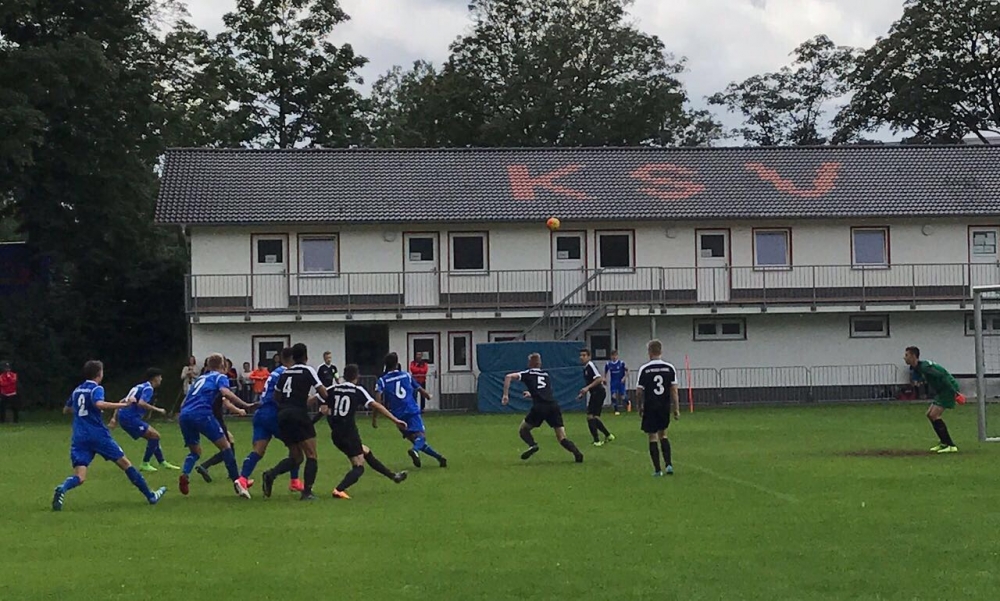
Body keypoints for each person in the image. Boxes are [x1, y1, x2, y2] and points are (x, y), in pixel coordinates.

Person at [51, 360, 167, 511]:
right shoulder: (96, 388)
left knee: (80, 476)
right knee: (126, 464)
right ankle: (151, 495)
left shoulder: (77, 390)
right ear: (99, 374)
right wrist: (124, 405)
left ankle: (63, 488)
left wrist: (83, 411)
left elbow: (66, 409)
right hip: (98, 435)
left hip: (79, 436)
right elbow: (99, 404)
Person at [325, 364, 409, 499]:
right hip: (349, 433)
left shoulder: (332, 389)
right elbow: (376, 405)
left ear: (344, 375)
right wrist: (395, 420)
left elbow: (314, 399)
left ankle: (393, 476)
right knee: (359, 466)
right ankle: (339, 490)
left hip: (336, 433)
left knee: (366, 451)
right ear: (357, 376)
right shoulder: (357, 390)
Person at [177, 353, 251, 498]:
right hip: (202, 414)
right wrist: (245, 404)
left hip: (184, 415)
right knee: (226, 447)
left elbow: (184, 402)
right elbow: (225, 392)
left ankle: (185, 474)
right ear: (222, 365)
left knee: (195, 452)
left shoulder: (200, 378)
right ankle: (238, 482)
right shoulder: (220, 377)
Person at [260, 343, 329, 501]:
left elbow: (276, 396)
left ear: (293, 357)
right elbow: (323, 392)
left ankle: (271, 474)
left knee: (297, 457)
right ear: (306, 356)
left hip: (283, 415)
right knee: (311, 454)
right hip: (298, 414)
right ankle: (307, 492)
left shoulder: (285, 373)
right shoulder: (308, 370)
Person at [236, 348, 304, 493]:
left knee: (258, 451)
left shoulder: (275, 372)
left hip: (261, 413)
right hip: (274, 414)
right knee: (296, 448)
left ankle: (242, 479)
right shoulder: (288, 373)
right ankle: (294, 481)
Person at [502, 353, 584, 463]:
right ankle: (577, 453)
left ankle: (533, 445)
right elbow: (544, 392)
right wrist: (532, 394)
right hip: (553, 406)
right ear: (540, 364)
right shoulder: (546, 375)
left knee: (523, 430)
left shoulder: (528, 373)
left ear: (530, 363)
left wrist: (505, 395)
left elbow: (508, 376)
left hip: (540, 407)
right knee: (562, 437)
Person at [375, 352, 447, 468]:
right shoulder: (406, 375)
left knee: (416, 440)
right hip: (411, 410)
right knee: (421, 437)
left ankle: (439, 458)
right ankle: (414, 451)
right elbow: (419, 388)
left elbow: (377, 400)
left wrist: (375, 417)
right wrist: (427, 396)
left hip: (398, 416)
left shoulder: (382, 380)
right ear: (397, 364)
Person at [109, 368, 181, 472]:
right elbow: (141, 403)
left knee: (153, 437)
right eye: (160, 377)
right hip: (129, 418)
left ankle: (162, 462)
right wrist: (158, 409)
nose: (161, 379)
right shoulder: (148, 388)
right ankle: (145, 463)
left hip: (124, 416)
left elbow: (122, 401)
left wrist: (114, 418)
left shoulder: (140, 386)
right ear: (155, 378)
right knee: (155, 436)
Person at [194, 376, 258, 484]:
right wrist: (240, 410)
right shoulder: (220, 383)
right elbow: (227, 404)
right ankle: (207, 466)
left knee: (229, 442)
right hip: (216, 419)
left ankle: (228, 472)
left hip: (209, 417)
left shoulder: (208, 384)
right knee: (227, 448)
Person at [905, 346, 965, 454]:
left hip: (947, 389)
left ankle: (951, 445)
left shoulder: (925, 367)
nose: (904, 358)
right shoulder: (917, 368)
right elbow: (918, 378)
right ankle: (943, 443)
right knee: (929, 414)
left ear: (913, 356)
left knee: (934, 415)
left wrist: (955, 392)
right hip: (941, 391)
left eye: (907, 355)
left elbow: (942, 376)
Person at [635, 340, 679, 476]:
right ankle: (669, 465)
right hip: (664, 406)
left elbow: (639, 391)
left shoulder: (645, 369)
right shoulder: (669, 368)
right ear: (661, 351)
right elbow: (674, 390)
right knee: (663, 435)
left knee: (652, 437)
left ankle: (657, 470)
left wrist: (639, 406)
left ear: (649, 352)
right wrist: (676, 408)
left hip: (650, 406)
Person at [577, 349, 614, 446]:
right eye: (581, 355)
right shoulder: (585, 368)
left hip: (598, 392)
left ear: (589, 357)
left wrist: (587, 388)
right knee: (594, 417)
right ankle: (608, 435)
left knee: (590, 417)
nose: (581, 357)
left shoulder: (590, 365)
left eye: (584, 355)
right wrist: (583, 393)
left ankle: (597, 440)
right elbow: (590, 382)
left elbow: (598, 379)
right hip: (596, 393)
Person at [604, 350, 628, 414]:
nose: (614, 357)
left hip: (620, 382)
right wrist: (604, 379)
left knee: (623, 397)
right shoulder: (608, 364)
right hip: (613, 382)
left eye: (615, 355)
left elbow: (627, 371)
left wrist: (624, 378)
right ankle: (616, 410)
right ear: (611, 356)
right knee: (613, 395)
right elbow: (606, 372)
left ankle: (628, 402)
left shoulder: (621, 363)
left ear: (617, 356)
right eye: (612, 356)